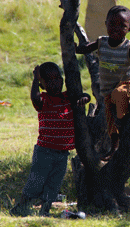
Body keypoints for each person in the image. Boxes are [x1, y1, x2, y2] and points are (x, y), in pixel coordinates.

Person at [10, 62, 90, 217]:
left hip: (62, 153)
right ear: (42, 85)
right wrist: (35, 79)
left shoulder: (68, 97)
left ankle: (44, 211)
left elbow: (84, 95)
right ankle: (21, 207)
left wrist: (85, 98)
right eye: (49, 80)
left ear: (62, 79)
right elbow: (34, 97)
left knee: (54, 184)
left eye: (57, 78)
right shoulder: (43, 100)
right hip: (44, 152)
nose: (55, 83)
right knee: (36, 181)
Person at [76, 5, 130, 161]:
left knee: (120, 96)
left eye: (122, 26)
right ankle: (114, 148)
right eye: (112, 24)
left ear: (129, 28)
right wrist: (74, 47)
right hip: (107, 92)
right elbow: (85, 49)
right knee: (111, 125)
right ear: (106, 24)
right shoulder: (101, 42)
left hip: (126, 85)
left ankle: (123, 120)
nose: (116, 28)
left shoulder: (129, 47)